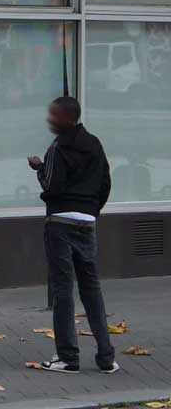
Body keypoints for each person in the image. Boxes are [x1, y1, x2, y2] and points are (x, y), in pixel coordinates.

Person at [27, 96, 118, 374]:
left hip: (60, 222)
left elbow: (52, 186)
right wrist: (91, 211)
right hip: (87, 222)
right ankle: (106, 357)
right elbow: (105, 182)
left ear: (67, 117)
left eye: (54, 115)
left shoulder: (58, 148)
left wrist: (39, 168)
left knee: (63, 289)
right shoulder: (94, 144)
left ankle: (68, 357)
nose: (50, 120)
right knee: (91, 288)